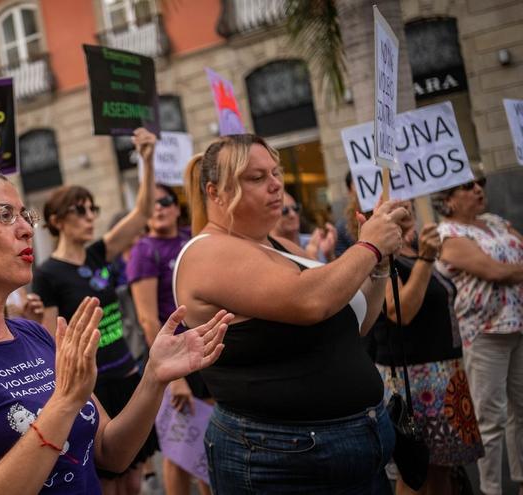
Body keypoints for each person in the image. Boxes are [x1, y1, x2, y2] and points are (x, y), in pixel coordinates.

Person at [0, 165, 232, 494]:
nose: (27, 229)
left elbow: (110, 452)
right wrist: (63, 405)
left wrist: (154, 377)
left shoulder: (34, 334)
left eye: (24, 215)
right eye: (4, 215)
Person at [173, 135, 408, 493]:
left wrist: (378, 263)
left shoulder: (278, 244)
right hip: (283, 458)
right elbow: (309, 301)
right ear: (215, 191)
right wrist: (369, 245)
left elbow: (356, 320)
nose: (275, 184)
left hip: (350, 447)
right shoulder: (207, 253)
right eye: (256, 177)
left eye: (276, 172)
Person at [33, 128, 159, 494]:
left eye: (93, 209)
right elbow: (51, 345)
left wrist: (146, 160)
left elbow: (142, 213)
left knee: (134, 479)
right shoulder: (47, 276)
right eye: (80, 210)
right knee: (107, 482)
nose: (90, 217)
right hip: (94, 388)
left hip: (127, 375)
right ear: (56, 221)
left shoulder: (97, 253)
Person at [373, 200, 484, 494]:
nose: (407, 203)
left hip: (443, 375)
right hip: (417, 379)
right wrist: (425, 259)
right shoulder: (384, 256)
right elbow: (399, 312)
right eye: (398, 197)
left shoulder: (415, 250)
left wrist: (425, 255)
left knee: (441, 471)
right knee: (415, 473)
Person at [432, 177, 523, 495]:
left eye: (480, 182)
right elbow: (495, 271)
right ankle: (492, 489)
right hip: (483, 334)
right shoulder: (448, 234)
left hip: (517, 324)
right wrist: (513, 268)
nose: (478, 189)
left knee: (520, 410)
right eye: (468, 186)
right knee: (490, 417)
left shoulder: (494, 221)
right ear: (449, 199)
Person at [127, 184, 209, 495]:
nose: (159, 207)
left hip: (205, 350)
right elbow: (148, 319)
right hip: (175, 361)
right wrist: (175, 380)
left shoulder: (192, 238)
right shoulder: (145, 251)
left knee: (209, 441)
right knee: (182, 453)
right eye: (153, 203)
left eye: (165, 201)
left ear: (177, 207)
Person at [269, 191, 336, 262]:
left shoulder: (312, 241)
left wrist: (329, 255)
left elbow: (333, 272)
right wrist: (311, 256)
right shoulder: (266, 250)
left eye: (296, 208)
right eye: (284, 211)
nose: (292, 214)